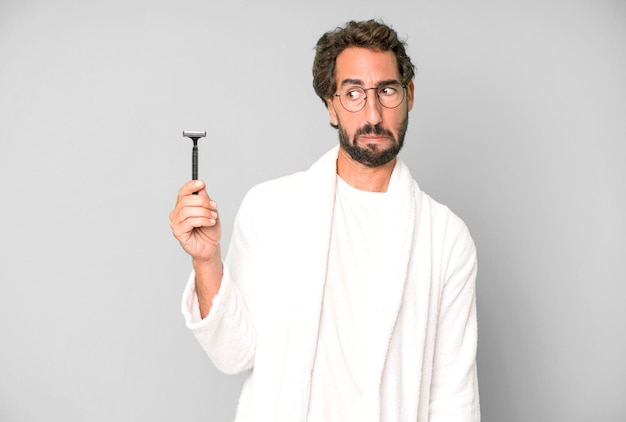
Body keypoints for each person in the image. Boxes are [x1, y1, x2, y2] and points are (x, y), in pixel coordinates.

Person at [170, 19, 480, 422]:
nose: (372, 113)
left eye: (387, 90)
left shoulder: (446, 238)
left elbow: (454, 400)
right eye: (353, 93)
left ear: (409, 96)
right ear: (331, 106)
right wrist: (206, 262)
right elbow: (234, 354)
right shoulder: (271, 208)